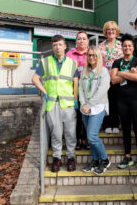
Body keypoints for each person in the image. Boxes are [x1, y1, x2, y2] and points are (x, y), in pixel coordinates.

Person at [32, 35, 78, 172]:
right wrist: (45, 92)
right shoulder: (45, 61)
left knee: (70, 133)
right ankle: (56, 159)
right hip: (53, 104)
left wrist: (75, 100)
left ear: (65, 46)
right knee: (56, 134)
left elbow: (75, 82)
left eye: (59, 44)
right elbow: (35, 79)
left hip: (68, 104)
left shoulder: (72, 62)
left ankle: (71, 158)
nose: (57, 47)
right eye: (54, 45)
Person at [111, 33, 137, 173]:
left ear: (133, 47)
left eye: (129, 46)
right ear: (122, 47)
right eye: (124, 45)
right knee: (125, 128)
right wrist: (128, 73)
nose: (127, 48)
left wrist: (121, 73)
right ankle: (127, 157)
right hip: (122, 100)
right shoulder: (117, 62)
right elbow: (113, 80)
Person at [79, 46, 111, 175]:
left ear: (98, 57)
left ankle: (105, 160)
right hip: (85, 108)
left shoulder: (103, 72)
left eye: (94, 55)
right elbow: (80, 89)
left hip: (97, 107)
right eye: (89, 55)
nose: (91, 57)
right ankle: (95, 159)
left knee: (92, 137)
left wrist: (89, 104)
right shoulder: (84, 72)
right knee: (89, 136)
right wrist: (82, 104)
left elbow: (102, 91)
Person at [66, 31, 90, 150]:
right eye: (79, 39)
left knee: (87, 114)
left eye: (84, 39)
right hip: (73, 89)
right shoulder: (70, 54)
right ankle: (76, 139)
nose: (81, 41)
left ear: (88, 41)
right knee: (76, 116)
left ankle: (85, 139)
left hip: (88, 89)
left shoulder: (92, 53)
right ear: (76, 41)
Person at [99, 21, 123, 134]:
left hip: (116, 78)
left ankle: (115, 124)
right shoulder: (101, 46)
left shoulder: (121, 45)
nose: (111, 31)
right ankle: (107, 124)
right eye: (108, 29)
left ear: (116, 32)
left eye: (113, 29)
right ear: (105, 32)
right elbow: (98, 62)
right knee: (105, 102)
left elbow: (123, 62)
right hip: (104, 78)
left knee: (116, 102)